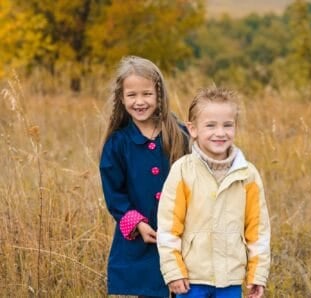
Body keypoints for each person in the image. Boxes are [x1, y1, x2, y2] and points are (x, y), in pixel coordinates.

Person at [157, 86, 271, 298]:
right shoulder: (182, 171)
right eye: (210, 125)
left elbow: (258, 229)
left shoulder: (248, 174)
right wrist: (173, 270)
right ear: (193, 129)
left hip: (231, 279)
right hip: (191, 279)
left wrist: (258, 273)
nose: (220, 133)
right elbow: (168, 227)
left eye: (227, 125)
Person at [99, 55, 188, 297]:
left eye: (147, 94)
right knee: (151, 291)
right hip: (143, 239)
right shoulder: (118, 144)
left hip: (183, 236)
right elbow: (114, 195)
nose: (140, 101)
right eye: (132, 95)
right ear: (122, 98)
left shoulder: (179, 134)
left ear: (159, 95)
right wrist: (137, 223)